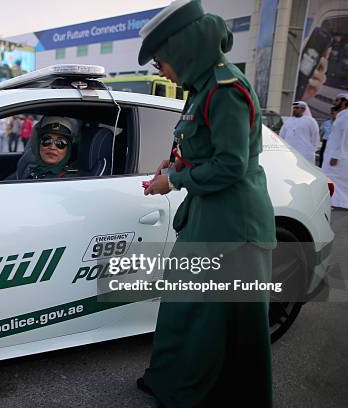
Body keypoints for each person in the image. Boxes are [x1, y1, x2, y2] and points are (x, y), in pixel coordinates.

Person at [138, 1, 276, 407]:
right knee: (186, 307)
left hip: (234, 226)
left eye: (161, 60)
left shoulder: (226, 90)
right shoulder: (202, 89)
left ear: (183, 50)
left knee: (216, 322)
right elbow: (205, 148)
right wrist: (176, 162)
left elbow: (232, 165)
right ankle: (172, 383)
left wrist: (174, 180)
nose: (161, 70)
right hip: (208, 216)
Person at [322, 94, 348, 209]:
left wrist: (336, 155)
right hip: (334, 154)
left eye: (337, 100)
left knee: (335, 180)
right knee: (332, 179)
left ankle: (337, 202)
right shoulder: (342, 115)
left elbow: (345, 137)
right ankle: (334, 202)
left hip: (338, 156)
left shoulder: (346, 116)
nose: (334, 102)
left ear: (344, 102)